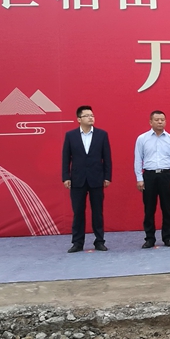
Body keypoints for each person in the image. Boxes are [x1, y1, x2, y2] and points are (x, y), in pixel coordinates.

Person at [62, 105, 112, 253]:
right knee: (78, 212)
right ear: (79, 119)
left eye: (92, 115)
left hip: (96, 178)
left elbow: (107, 158)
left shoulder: (101, 135)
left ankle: (99, 241)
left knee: (97, 212)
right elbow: (66, 158)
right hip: (77, 179)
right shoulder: (70, 136)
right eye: (87, 116)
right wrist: (66, 177)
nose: (91, 118)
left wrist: (107, 176)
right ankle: (77, 242)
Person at [134, 110, 170, 248]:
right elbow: (138, 159)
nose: (160, 122)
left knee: (167, 208)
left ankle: (168, 237)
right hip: (149, 176)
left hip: (166, 175)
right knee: (149, 209)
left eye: (162, 120)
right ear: (150, 122)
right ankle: (150, 238)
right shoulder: (142, 139)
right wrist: (139, 178)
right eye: (157, 120)